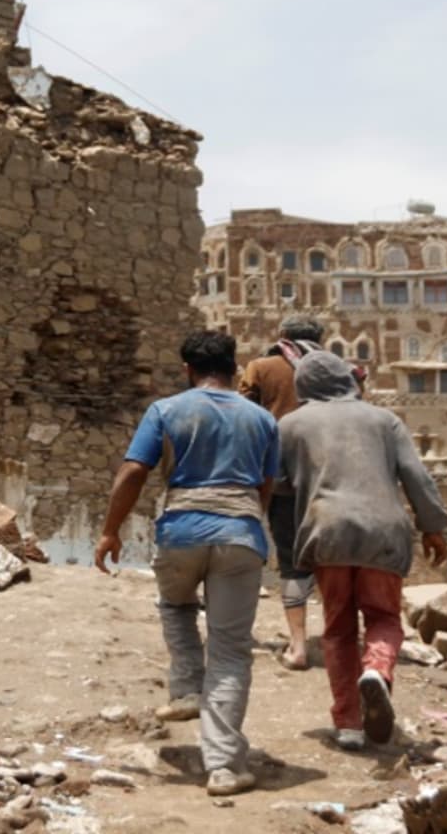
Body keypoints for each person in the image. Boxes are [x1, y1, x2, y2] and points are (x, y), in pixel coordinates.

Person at [95, 330, 281, 797]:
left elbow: (134, 470)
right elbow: (266, 484)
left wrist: (110, 529)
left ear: (187, 370)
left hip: (180, 529)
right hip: (241, 533)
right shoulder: (262, 419)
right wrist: (246, 519)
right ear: (235, 369)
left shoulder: (166, 409)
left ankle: (186, 689)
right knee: (231, 650)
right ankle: (223, 767)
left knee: (175, 605)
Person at [279, 350, 447, 751]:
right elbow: (415, 476)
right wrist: (433, 527)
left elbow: (277, 483)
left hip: (327, 531)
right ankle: (376, 671)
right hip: (383, 531)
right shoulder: (383, 420)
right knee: (384, 617)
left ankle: (349, 724)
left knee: (337, 629)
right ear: (348, 379)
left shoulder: (289, 425)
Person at [238, 316, 324, 671]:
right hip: (328, 477)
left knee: (290, 559)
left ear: (283, 337)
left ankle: (299, 646)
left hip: (281, 477)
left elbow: (245, 416)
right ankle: (340, 640)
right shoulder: (334, 370)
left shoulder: (261, 367)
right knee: (331, 560)